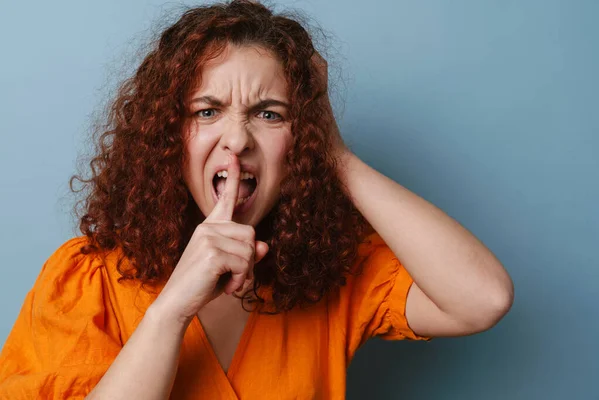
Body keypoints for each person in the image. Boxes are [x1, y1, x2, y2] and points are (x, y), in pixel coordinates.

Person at [0, 1, 514, 399]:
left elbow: (482, 298)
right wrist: (172, 309)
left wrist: (333, 152)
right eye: (207, 111)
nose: (238, 139)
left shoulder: (335, 271)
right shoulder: (85, 280)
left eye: (270, 114)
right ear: (166, 135)